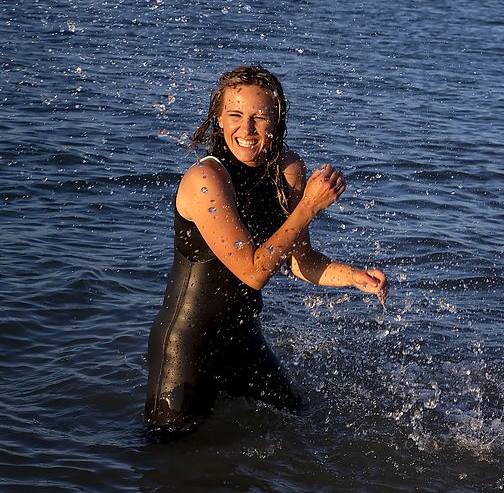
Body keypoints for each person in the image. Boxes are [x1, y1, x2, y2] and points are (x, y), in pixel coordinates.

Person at [144, 64, 388, 439]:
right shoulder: (205, 179)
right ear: (219, 118)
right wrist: (307, 207)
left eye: (260, 117)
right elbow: (253, 272)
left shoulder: (287, 170)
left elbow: (300, 260)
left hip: (243, 340)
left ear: (277, 120)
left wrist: (354, 277)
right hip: (188, 347)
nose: (248, 129)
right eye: (236, 116)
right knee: (171, 458)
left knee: (302, 424)